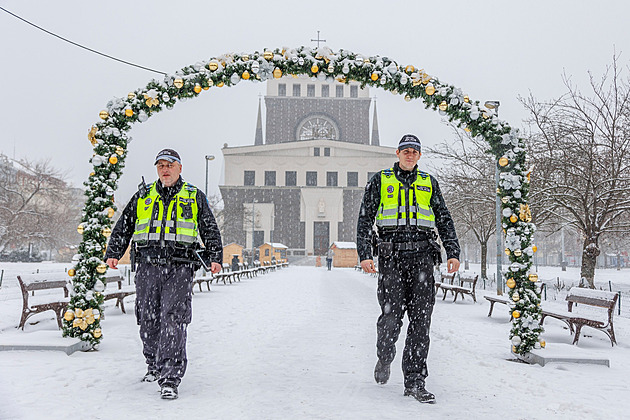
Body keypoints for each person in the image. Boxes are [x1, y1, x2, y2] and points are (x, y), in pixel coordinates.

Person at [105, 148, 223, 400]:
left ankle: (170, 377)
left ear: (179, 168)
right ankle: (153, 365)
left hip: (179, 267)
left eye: (169, 164)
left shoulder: (193, 196)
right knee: (148, 319)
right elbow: (124, 225)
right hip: (147, 267)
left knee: (173, 319)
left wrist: (215, 257)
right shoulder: (144, 196)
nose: (164, 169)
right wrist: (114, 251)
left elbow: (209, 228)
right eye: (160, 165)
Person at [356, 134, 460, 404]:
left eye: (415, 151)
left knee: (421, 322)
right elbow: (365, 219)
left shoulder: (429, 183)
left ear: (419, 155)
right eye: (406, 151)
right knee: (391, 320)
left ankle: (415, 380)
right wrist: (365, 254)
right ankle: (385, 355)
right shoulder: (380, 181)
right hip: (392, 260)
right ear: (397, 153)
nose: (410, 155)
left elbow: (444, 217)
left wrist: (453, 251)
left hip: (423, 259)